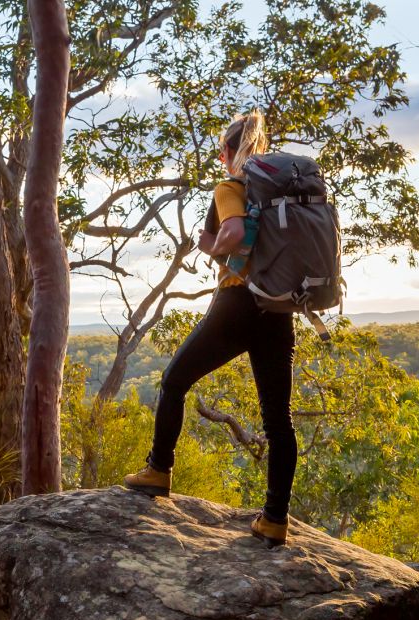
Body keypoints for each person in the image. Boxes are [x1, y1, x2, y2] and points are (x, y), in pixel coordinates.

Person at [124, 110, 297, 548]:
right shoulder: (277, 194)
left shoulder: (231, 186)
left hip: (238, 304)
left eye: (222, 150)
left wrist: (213, 249)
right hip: (277, 311)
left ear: (227, 152)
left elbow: (235, 234)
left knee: (173, 380)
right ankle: (275, 519)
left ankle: (158, 470)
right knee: (279, 422)